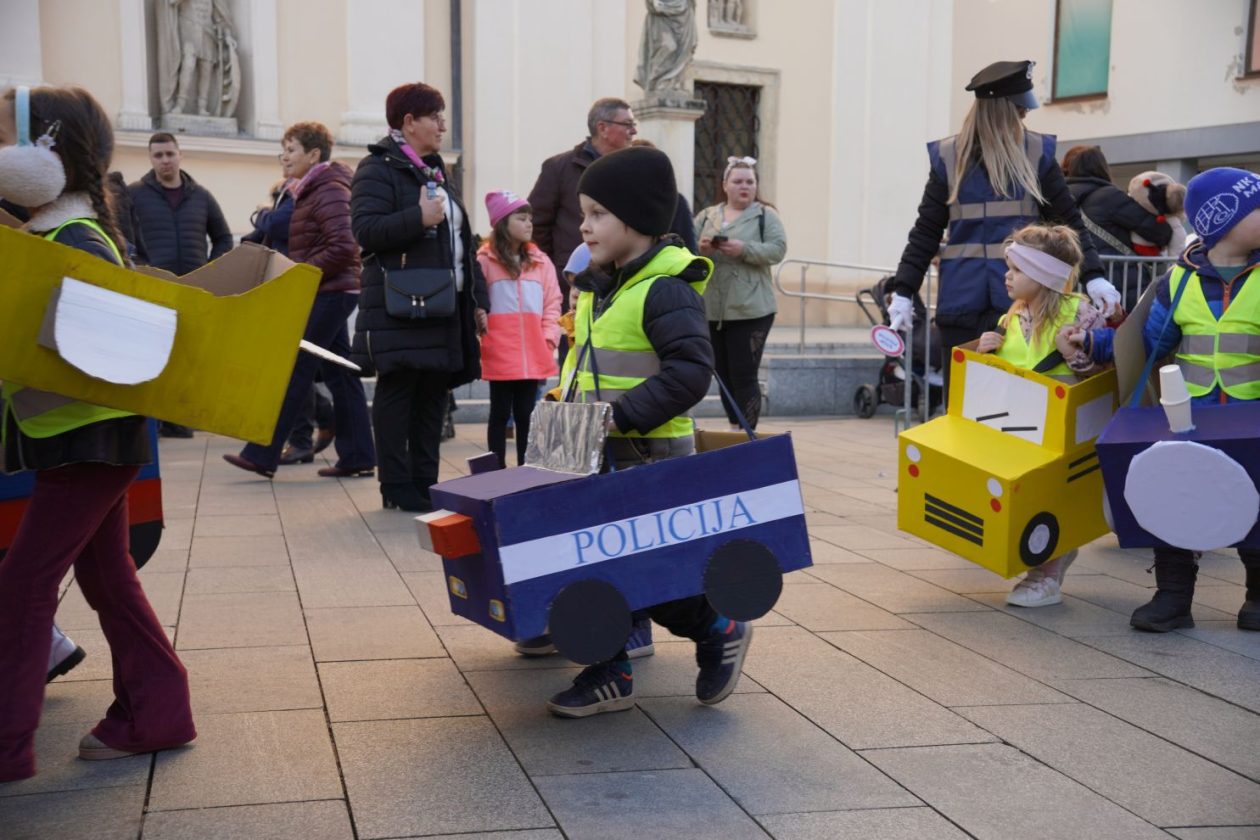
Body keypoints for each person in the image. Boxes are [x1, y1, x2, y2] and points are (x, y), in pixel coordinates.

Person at [0, 84, 196, 783]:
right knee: (106, 576)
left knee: (21, 586)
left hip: (89, 442)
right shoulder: (58, 233)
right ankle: (157, 711)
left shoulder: (74, 237)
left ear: (45, 150)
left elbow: (104, 354)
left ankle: (7, 743)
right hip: (80, 442)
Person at [545, 145, 751, 718]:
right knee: (600, 568)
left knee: (657, 580)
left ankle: (719, 627)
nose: (583, 224)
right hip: (594, 454)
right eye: (583, 212)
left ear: (634, 220)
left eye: (596, 213)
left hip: (648, 460)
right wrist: (562, 401)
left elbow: (690, 372)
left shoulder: (665, 288)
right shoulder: (599, 285)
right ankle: (612, 669)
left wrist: (621, 414)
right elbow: (588, 363)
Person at [1081, 168, 1260, 633]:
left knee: (1258, 502)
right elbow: (1148, 342)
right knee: (1179, 501)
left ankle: (1257, 596)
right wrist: (1093, 344)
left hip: (1253, 417)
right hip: (1189, 420)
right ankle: (1173, 597)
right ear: (1222, 220)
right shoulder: (1178, 283)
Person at [889, 60, 1120, 402]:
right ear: (1002, 110)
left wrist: (1094, 275)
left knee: (1019, 405)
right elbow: (925, 231)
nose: (1024, 118)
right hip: (972, 306)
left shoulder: (1036, 153)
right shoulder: (949, 157)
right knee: (966, 407)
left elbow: (1068, 221)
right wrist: (903, 291)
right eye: (1019, 110)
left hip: (1020, 307)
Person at [350, 82, 488, 513]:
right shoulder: (378, 169)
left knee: (433, 393)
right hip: (403, 306)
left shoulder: (432, 170)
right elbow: (366, 231)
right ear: (409, 122)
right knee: (400, 390)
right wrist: (417, 217)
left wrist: (477, 297)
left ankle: (425, 479)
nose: (443, 125)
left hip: (445, 304)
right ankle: (395, 483)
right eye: (435, 116)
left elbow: (461, 239)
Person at [223, 121, 376, 480]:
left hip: (330, 292)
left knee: (295, 368)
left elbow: (344, 246)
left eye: (291, 150)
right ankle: (358, 456)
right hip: (329, 291)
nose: (285, 157)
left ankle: (262, 454)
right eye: (284, 149)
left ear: (313, 154)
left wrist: (300, 272)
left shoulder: (328, 188)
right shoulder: (309, 189)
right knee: (340, 374)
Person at [974, 223, 1105, 607]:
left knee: (1048, 498)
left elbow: (1104, 374)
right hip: (1018, 427)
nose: (1007, 276)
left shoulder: (1078, 312)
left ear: (1044, 275)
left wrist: (1073, 353)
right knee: (1027, 499)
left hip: (1063, 432)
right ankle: (1050, 560)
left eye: (1017, 269)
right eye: (1008, 267)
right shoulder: (1010, 317)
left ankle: (1045, 574)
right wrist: (987, 354)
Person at [128, 131, 233, 438]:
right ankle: (159, 418)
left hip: (193, 287)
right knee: (155, 353)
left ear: (180, 155)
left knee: (189, 355)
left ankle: (181, 416)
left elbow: (223, 237)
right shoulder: (135, 194)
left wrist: (211, 269)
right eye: (158, 155)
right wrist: (139, 267)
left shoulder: (200, 195)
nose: (165, 161)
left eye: (169, 154)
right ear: (150, 159)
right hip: (154, 287)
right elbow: (121, 234)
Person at [694, 156, 786, 430]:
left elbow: (778, 249)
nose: (744, 186)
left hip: (752, 309)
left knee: (744, 374)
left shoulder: (766, 216)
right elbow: (687, 249)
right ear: (725, 185)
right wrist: (703, 249)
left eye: (750, 181)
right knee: (722, 373)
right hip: (713, 309)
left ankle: (746, 432)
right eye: (738, 181)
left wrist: (744, 249)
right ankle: (734, 425)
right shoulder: (707, 216)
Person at [476, 191, 561, 468]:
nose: (529, 224)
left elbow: (552, 302)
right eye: (521, 218)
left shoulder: (541, 262)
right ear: (502, 222)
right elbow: (477, 303)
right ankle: (495, 472)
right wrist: (482, 336)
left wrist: (548, 339)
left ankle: (526, 470)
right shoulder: (485, 261)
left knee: (527, 413)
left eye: (530, 219)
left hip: (533, 350)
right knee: (499, 413)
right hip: (499, 350)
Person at [528, 98, 637, 287]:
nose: (634, 131)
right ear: (602, 128)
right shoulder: (558, 168)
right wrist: (555, 270)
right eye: (627, 124)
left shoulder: (633, 170)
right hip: (573, 281)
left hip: (622, 278)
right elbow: (536, 225)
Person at [1062, 144, 1173, 305]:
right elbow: (1159, 232)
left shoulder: (1061, 198)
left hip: (1073, 287)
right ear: (1102, 167)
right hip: (1118, 286)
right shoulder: (1109, 197)